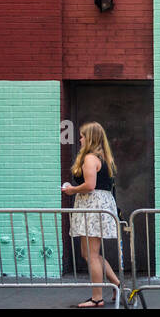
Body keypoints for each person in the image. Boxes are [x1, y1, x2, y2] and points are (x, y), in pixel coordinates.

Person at [62, 121, 121, 307]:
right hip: (99, 205)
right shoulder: (104, 158)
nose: (79, 139)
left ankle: (97, 298)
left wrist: (71, 190)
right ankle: (117, 284)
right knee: (89, 253)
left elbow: (90, 186)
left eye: (82, 136)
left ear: (90, 138)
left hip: (92, 205)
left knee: (91, 254)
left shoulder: (89, 158)